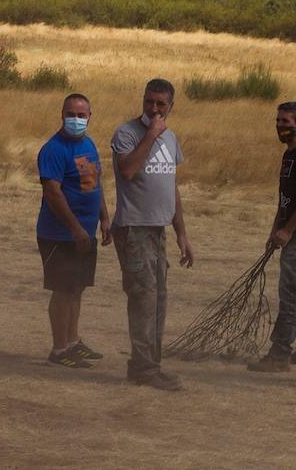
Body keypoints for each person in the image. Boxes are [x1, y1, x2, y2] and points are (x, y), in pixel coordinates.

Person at [110, 78, 194, 391]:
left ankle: (150, 365)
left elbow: (171, 186)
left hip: (158, 228)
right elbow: (128, 170)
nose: (154, 109)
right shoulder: (127, 134)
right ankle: (143, 367)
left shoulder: (171, 138)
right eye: (149, 102)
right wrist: (150, 136)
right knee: (143, 298)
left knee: (158, 299)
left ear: (171, 106)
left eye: (161, 104)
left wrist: (181, 233)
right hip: (134, 227)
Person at [247, 101, 296, 372]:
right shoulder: (289, 154)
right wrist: (275, 229)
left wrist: (289, 230)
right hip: (292, 232)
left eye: (286, 122)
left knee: (291, 292)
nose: (280, 126)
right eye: (278, 121)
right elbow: (286, 198)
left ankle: (279, 354)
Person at [36, 92, 110, 368]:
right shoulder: (54, 149)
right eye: (71, 114)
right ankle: (59, 348)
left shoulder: (88, 145)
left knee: (77, 288)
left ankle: (73, 341)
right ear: (62, 115)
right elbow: (53, 193)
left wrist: (104, 218)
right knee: (62, 290)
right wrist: (75, 227)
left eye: (81, 115)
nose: (76, 120)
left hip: (85, 232)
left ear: (90, 117)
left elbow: (94, 185)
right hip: (59, 234)